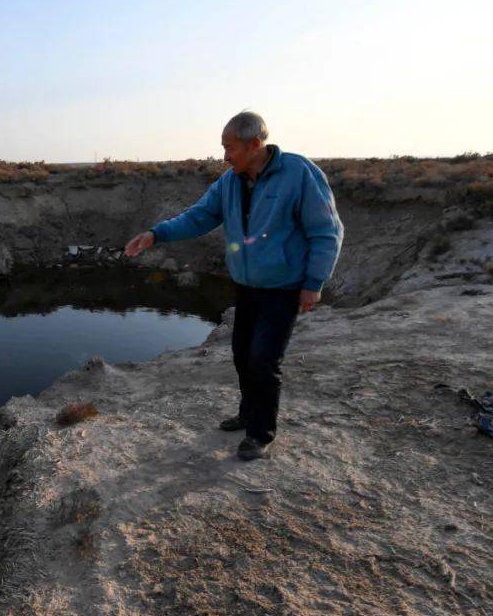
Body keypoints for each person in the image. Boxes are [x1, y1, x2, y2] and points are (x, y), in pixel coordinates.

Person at [124, 111, 343, 460]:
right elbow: (199, 216)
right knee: (242, 355)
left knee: (264, 360)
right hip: (247, 285)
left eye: (230, 147)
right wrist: (156, 234)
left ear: (255, 144)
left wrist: (314, 282)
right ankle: (247, 414)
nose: (225, 156)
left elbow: (326, 231)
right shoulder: (230, 182)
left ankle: (261, 433)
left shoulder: (299, 174)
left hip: (283, 287)